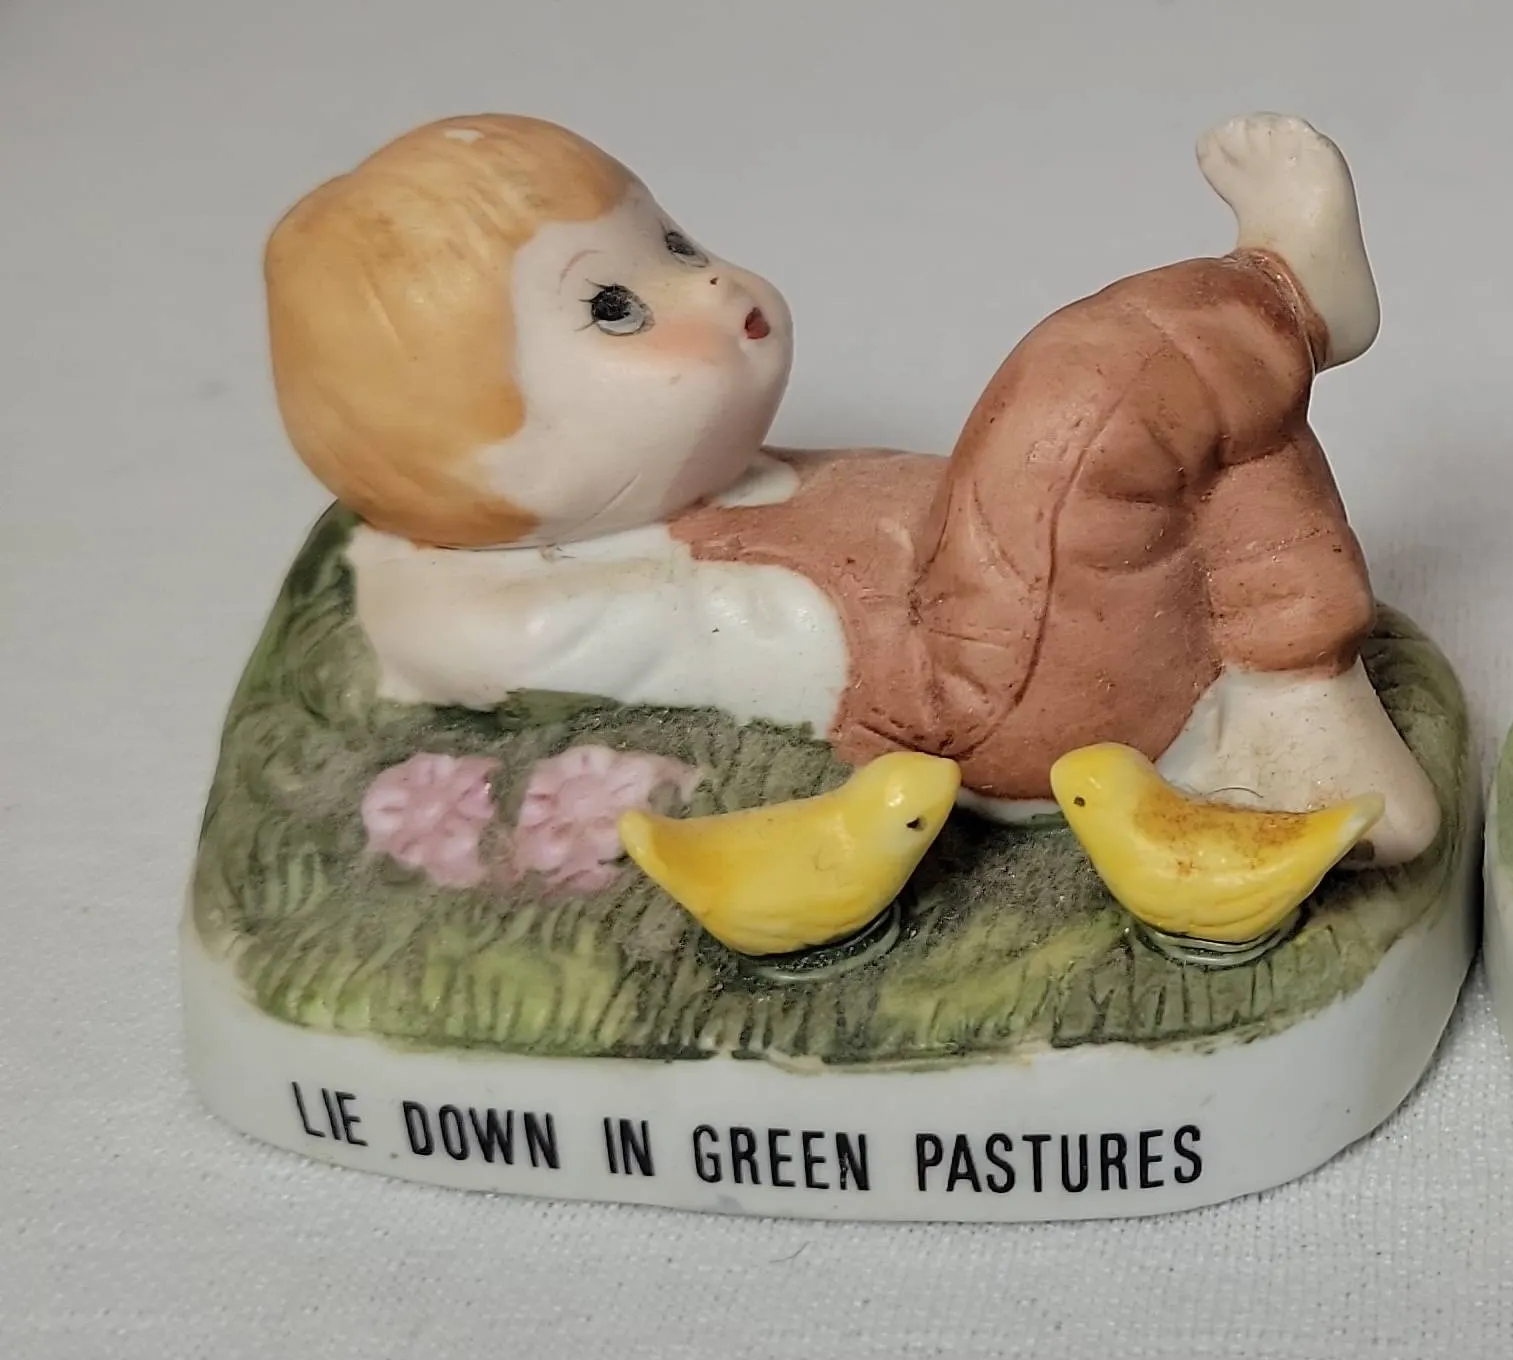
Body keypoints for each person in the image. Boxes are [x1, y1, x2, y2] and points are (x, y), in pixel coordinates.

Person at [263, 108, 1438, 857]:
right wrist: (428, 552)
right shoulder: (501, 605)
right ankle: (1289, 299)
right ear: (482, 455)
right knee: (1091, 399)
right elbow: (453, 644)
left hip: (998, 613)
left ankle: (1297, 704)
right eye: (613, 309)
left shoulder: (669, 494)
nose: (709, 287)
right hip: (977, 693)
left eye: (673, 245)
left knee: (1215, 443)